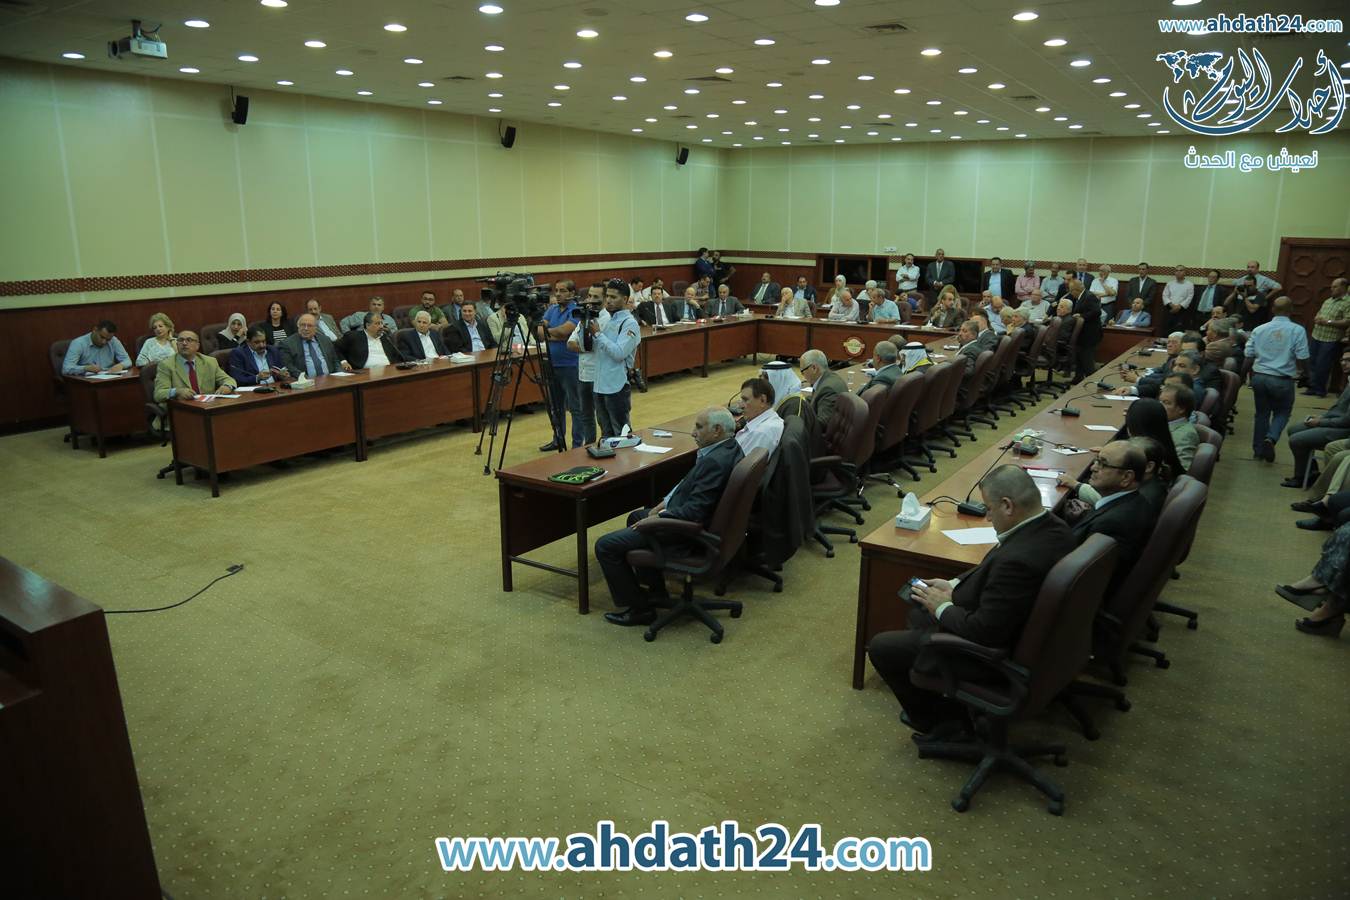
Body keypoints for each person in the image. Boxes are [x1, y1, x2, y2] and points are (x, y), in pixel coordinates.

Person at [867, 466, 1075, 739]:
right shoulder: (1054, 528)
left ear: (1007, 506)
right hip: (1028, 631)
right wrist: (954, 585)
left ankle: (948, 724)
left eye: (989, 509)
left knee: (882, 647)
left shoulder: (1017, 561)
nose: (987, 516)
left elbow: (985, 631)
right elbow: (994, 571)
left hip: (994, 654)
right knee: (919, 612)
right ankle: (944, 687)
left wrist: (943, 608)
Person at [597, 407, 742, 628]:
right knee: (636, 516)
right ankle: (656, 592)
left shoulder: (714, 462)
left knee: (606, 546)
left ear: (717, 431)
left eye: (699, 427)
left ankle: (640, 610)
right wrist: (661, 506)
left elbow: (695, 512)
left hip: (688, 531)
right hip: (696, 520)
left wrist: (659, 517)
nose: (693, 432)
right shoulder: (729, 448)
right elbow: (689, 487)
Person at [1070, 441, 1155, 591]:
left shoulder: (1112, 524)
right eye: (1096, 461)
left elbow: (1080, 577)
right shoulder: (1136, 502)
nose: (1093, 468)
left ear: (1126, 477)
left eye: (1103, 464)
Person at [1246, 296, 1310, 462]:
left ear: (1273, 309)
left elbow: (1249, 355)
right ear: (1291, 310)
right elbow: (1302, 356)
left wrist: (1241, 375)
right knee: (1282, 412)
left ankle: (1258, 451)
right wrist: (1307, 374)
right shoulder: (1297, 330)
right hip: (1282, 379)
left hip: (1260, 377)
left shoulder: (1259, 329)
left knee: (1261, 414)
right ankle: (1271, 438)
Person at [1282, 349, 1350, 486]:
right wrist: (1321, 417)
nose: (1344, 363)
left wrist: (1321, 422)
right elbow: (1339, 409)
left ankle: (1301, 477)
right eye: (1342, 359)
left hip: (1344, 430)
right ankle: (1311, 471)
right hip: (1335, 422)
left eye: (1348, 360)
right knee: (1293, 429)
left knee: (1297, 440)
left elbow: (1346, 421)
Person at [590, 278, 641, 438]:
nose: (608, 300)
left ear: (625, 299)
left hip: (617, 386)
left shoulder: (629, 323)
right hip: (600, 384)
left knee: (622, 435)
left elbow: (619, 353)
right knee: (606, 434)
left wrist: (598, 334)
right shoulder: (606, 320)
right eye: (607, 296)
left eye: (613, 297)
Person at [538, 281, 583, 450]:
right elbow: (539, 332)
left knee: (575, 407)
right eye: (556, 290)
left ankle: (577, 444)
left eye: (562, 291)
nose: (558, 294)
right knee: (556, 407)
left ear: (572, 293)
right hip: (552, 364)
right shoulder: (552, 309)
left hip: (571, 365)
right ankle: (558, 439)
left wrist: (550, 332)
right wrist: (557, 335)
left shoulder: (576, 310)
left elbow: (567, 331)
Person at [567, 283, 609, 445]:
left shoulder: (608, 319)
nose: (591, 300)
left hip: (599, 376)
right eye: (589, 296)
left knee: (602, 416)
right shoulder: (584, 317)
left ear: (604, 299)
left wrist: (587, 347)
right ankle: (589, 445)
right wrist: (586, 348)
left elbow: (602, 347)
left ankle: (605, 445)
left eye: (596, 297)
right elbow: (570, 343)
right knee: (586, 415)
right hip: (583, 374)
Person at [153, 331, 236, 401]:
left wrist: (227, 386)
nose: (184, 343)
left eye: (189, 340)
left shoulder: (210, 362)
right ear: (177, 344)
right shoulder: (166, 365)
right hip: (181, 409)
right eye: (181, 340)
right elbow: (158, 394)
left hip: (207, 407)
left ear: (197, 346)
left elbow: (229, 380)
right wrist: (177, 391)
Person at [1305, 278, 1350, 397]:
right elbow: (1319, 313)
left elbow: (1347, 321)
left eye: (1335, 287)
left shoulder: (1348, 302)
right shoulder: (1328, 300)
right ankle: (1311, 387)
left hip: (1330, 339)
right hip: (1317, 335)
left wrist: (1328, 322)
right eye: (1332, 286)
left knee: (1323, 365)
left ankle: (1320, 390)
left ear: (1343, 288)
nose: (1331, 289)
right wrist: (1317, 317)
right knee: (1312, 362)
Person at [281, 313, 351, 378]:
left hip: (330, 379)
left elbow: (335, 361)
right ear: (298, 326)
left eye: (309, 326)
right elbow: (290, 367)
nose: (306, 328)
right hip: (306, 382)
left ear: (315, 328)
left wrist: (341, 375)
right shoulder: (288, 343)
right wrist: (305, 380)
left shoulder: (325, 340)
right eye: (303, 325)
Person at [1067, 277, 1102, 383]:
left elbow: (1097, 311)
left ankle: (1093, 382)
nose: (1070, 293)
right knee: (1079, 357)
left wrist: (1081, 316)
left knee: (1087, 360)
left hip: (1089, 334)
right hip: (1082, 334)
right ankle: (1078, 378)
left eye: (1070, 290)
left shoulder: (1089, 296)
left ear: (1076, 290)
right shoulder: (1082, 296)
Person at [62, 320, 131, 375]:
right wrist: (85, 368)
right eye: (102, 337)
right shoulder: (78, 343)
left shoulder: (113, 341)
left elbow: (127, 361)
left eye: (108, 339)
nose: (104, 342)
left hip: (109, 377)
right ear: (95, 330)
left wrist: (121, 365)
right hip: (87, 381)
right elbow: (66, 369)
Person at [800, 348, 845, 425]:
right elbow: (816, 399)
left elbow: (821, 424)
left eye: (802, 371)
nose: (802, 375)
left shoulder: (828, 389)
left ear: (814, 368)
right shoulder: (828, 377)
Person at [1160, 383, 1200, 470]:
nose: (1159, 406)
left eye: (1166, 403)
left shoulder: (1186, 435)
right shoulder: (1165, 424)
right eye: (1160, 401)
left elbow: (1182, 470)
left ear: (1181, 409)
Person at [1161, 266, 1194, 334]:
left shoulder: (1190, 284)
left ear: (1185, 273)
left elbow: (1189, 297)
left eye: (1181, 270)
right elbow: (1165, 295)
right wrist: (1171, 305)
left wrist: (1179, 307)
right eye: (1177, 270)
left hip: (1182, 311)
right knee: (1167, 331)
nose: (1178, 272)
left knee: (1179, 331)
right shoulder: (1170, 283)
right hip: (1170, 309)